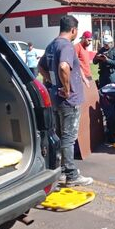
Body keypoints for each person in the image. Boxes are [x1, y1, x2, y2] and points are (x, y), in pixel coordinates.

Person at [44, 15, 93, 186]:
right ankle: (71, 174)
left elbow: (41, 66)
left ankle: (63, 171)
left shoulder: (51, 45)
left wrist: (52, 82)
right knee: (68, 137)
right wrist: (65, 88)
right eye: (76, 31)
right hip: (68, 100)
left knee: (59, 135)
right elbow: (64, 67)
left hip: (55, 98)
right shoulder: (67, 46)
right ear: (73, 30)